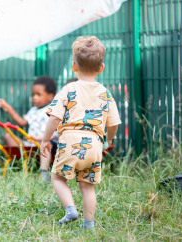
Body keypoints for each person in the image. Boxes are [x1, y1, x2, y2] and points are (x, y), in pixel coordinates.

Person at [40, 36, 121, 228]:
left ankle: (70, 209)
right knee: (87, 186)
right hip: (94, 145)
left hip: (69, 142)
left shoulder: (69, 89)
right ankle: (89, 223)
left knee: (57, 177)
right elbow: (114, 123)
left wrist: (45, 140)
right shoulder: (105, 93)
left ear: (74, 66)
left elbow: (54, 118)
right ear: (101, 68)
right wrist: (108, 139)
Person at [0, 76, 58, 183]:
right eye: (33, 95)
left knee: (47, 145)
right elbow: (22, 122)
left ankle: (44, 173)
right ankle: (18, 165)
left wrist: (41, 138)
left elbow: (55, 131)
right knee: (7, 136)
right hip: (29, 144)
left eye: (38, 95)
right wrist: (8, 108)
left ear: (50, 96)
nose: (34, 98)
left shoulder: (52, 110)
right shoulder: (33, 110)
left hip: (42, 143)